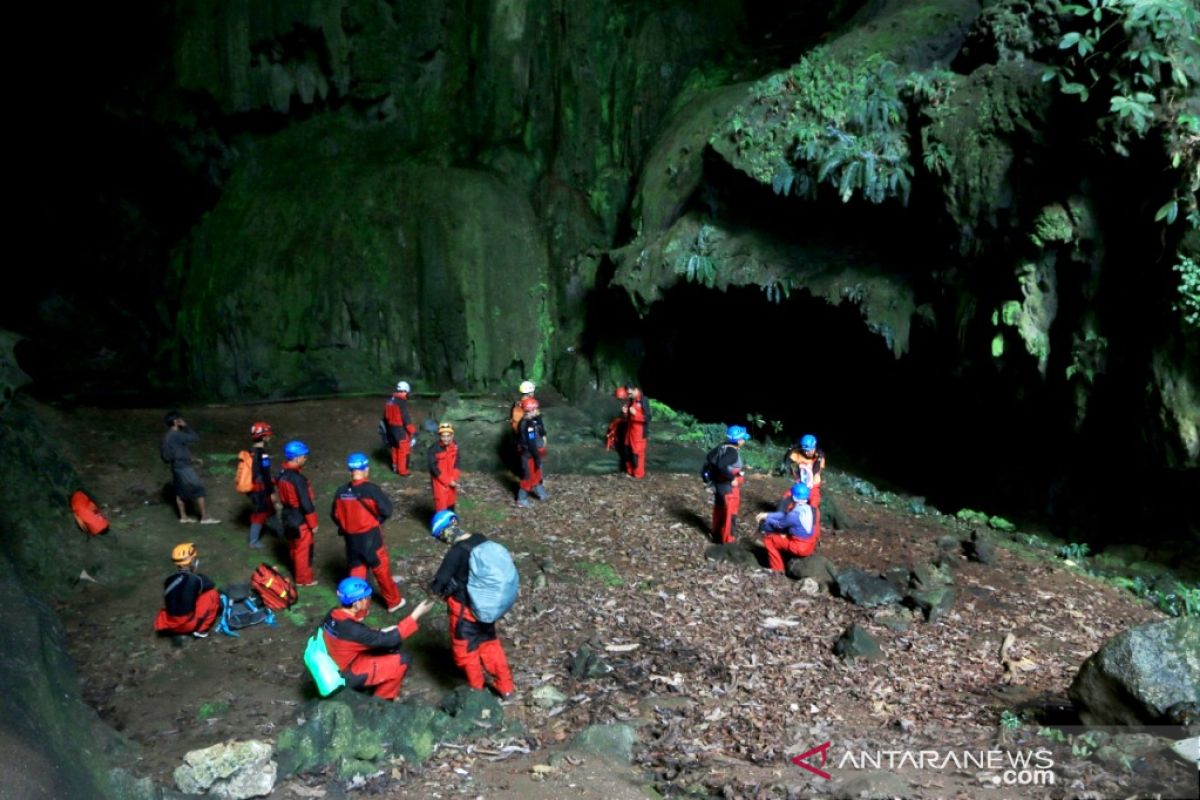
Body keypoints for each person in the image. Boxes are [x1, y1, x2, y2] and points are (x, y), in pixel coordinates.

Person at [428, 511, 515, 698]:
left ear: (444, 532)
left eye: (439, 535)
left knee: (465, 653)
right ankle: (506, 686)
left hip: (464, 611)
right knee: (490, 644)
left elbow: (439, 584)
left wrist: (434, 589)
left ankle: (477, 692)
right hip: (486, 607)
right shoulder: (481, 539)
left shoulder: (457, 552)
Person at [321, 577, 435, 702]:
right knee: (402, 659)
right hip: (346, 675)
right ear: (356, 603)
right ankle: (381, 701)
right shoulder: (353, 630)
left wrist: (381, 631)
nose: (369, 599)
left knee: (390, 648)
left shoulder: (333, 614)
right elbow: (390, 639)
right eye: (366, 597)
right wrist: (416, 614)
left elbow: (358, 635)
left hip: (336, 661)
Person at [330, 452, 405, 612]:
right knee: (381, 571)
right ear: (366, 469)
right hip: (371, 538)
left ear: (350, 470)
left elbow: (335, 515)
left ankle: (358, 610)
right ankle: (393, 602)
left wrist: (347, 525)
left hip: (351, 540)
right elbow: (387, 510)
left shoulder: (341, 491)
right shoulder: (371, 490)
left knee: (356, 572)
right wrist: (377, 520)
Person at [160, 411, 219, 524]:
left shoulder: (169, 435)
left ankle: (183, 517)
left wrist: (193, 459)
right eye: (179, 419)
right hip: (183, 467)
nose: (182, 420)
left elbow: (178, 452)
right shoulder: (176, 434)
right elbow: (195, 438)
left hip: (176, 466)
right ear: (176, 421)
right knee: (199, 489)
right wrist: (186, 426)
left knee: (180, 491)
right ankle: (205, 518)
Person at [153, 543, 220, 638]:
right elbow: (211, 584)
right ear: (192, 561)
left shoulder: (169, 579)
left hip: (170, 622)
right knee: (212, 594)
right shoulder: (196, 579)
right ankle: (201, 630)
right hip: (186, 624)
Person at [276, 440, 319, 586]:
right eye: (304, 456)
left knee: (293, 546)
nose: (305, 459)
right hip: (299, 518)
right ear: (297, 457)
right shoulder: (298, 479)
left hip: (286, 515)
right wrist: (313, 524)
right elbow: (306, 504)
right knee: (303, 550)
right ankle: (303, 579)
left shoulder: (282, 474)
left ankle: (298, 573)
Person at [757, 482, 818, 572]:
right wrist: (768, 515)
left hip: (799, 547)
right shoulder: (807, 508)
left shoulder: (794, 514)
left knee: (769, 540)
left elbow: (779, 525)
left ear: (793, 497)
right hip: (809, 544)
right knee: (782, 536)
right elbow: (785, 515)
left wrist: (767, 519)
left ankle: (777, 569)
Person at [710, 425, 751, 544]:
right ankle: (727, 541)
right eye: (743, 438)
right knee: (730, 514)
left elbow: (710, 458)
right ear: (739, 440)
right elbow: (721, 465)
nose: (744, 440)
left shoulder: (722, 446)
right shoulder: (732, 452)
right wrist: (732, 477)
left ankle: (716, 537)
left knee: (719, 509)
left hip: (719, 486)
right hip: (729, 488)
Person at [246, 421, 279, 548]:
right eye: (268, 435)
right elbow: (265, 474)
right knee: (260, 513)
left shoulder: (250, 451)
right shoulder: (263, 454)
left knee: (270, 510)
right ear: (264, 437)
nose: (269, 437)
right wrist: (271, 493)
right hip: (260, 489)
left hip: (252, 488)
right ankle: (253, 541)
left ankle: (279, 532)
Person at [786, 434, 826, 535]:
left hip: (813, 487)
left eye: (810, 449)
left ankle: (813, 533)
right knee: (789, 503)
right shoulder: (798, 454)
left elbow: (815, 471)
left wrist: (819, 459)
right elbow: (786, 461)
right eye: (806, 450)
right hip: (800, 486)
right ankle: (788, 528)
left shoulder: (818, 457)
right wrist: (790, 449)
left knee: (814, 508)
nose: (808, 452)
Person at [514, 397, 548, 507]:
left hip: (535, 453)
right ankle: (521, 499)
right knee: (527, 477)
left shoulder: (532, 421)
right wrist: (537, 457)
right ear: (530, 411)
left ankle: (541, 493)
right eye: (535, 409)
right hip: (529, 455)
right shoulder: (527, 426)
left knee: (537, 474)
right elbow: (531, 442)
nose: (538, 411)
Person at [384, 381, 418, 475]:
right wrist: (413, 432)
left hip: (390, 429)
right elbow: (406, 420)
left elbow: (385, 417)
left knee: (395, 448)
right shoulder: (401, 402)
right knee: (403, 450)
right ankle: (403, 471)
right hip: (400, 430)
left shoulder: (390, 400)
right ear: (405, 391)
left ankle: (395, 467)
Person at [428, 422, 460, 513]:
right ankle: (441, 526)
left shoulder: (455, 446)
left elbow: (457, 462)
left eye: (448, 436)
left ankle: (451, 524)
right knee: (441, 504)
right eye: (443, 436)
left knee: (451, 501)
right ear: (440, 436)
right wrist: (448, 481)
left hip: (452, 478)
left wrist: (454, 478)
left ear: (452, 435)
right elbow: (434, 469)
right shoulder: (433, 449)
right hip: (439, 481)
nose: (445, 439)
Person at [622, 385, 650, 478]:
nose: (628, 395)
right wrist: (625, 412)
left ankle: (638, 474)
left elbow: (647, 418)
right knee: (627, 450)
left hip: (639, 432)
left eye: (630, 393)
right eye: (628, 393)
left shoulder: (643, 400)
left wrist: (636, 414)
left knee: (637, 453)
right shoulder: (632, 400)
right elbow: (629, 418)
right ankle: (630, 472)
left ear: (636, 390)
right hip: (630, 431)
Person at [605, 387, 629, 470]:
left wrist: (625, 413)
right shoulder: (617, 403)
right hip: (619, 422)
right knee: (613, 428)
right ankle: (611, 443)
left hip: (626, 422)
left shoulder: (628, 403)